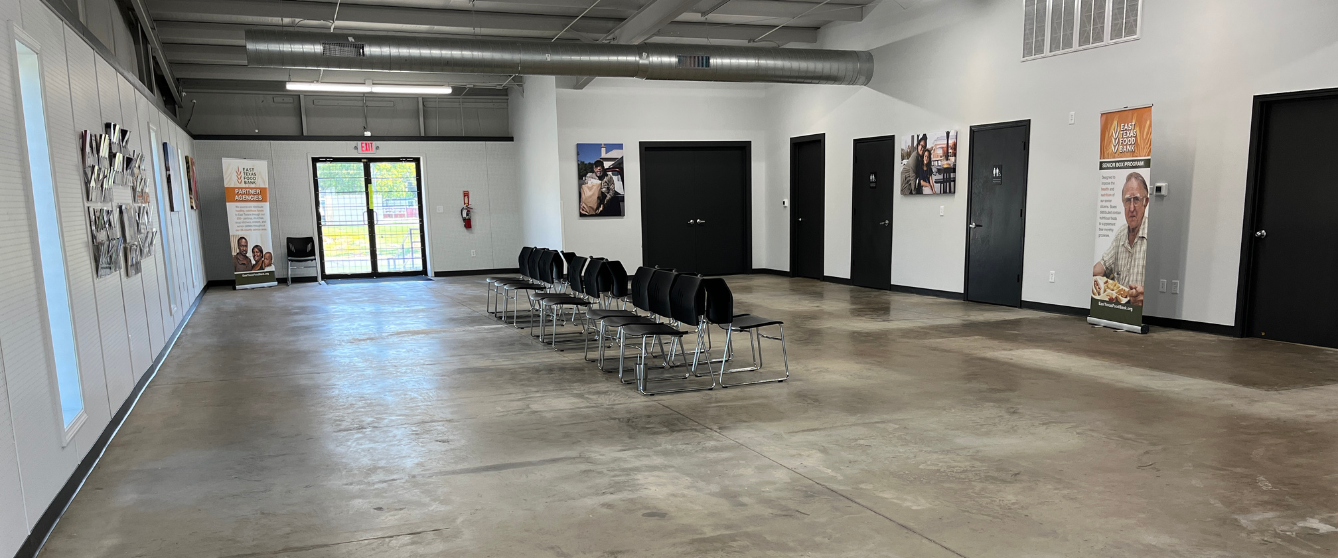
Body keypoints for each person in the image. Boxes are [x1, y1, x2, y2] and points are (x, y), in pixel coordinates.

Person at [1093, 172, 1150, 305]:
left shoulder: (1154, 235)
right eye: (1127, 200)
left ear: (1145, 202)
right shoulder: (1121, 234)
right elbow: (1103, 265)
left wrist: (1145, 295)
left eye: (1136, 200)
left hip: (1143, 316)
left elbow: (1161, 287)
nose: (1131, 208)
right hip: (1119, 312)